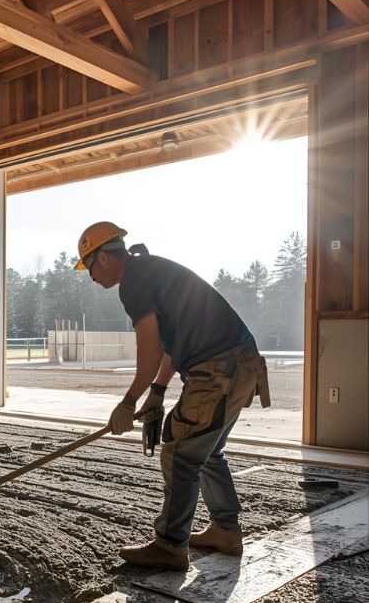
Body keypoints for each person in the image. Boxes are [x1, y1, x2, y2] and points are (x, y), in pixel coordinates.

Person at [76, 221, 270, 571]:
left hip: (220, 368)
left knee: (180, 454)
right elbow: (169, 345)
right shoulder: (150, 271)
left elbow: (149, 348)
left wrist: (128, 402)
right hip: (242, 364)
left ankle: (170, 546)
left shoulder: (133, 281)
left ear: (103, 257)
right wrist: (157, 391)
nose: (91, 277)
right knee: (207, 452)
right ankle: (226, 530)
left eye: (89, 267)